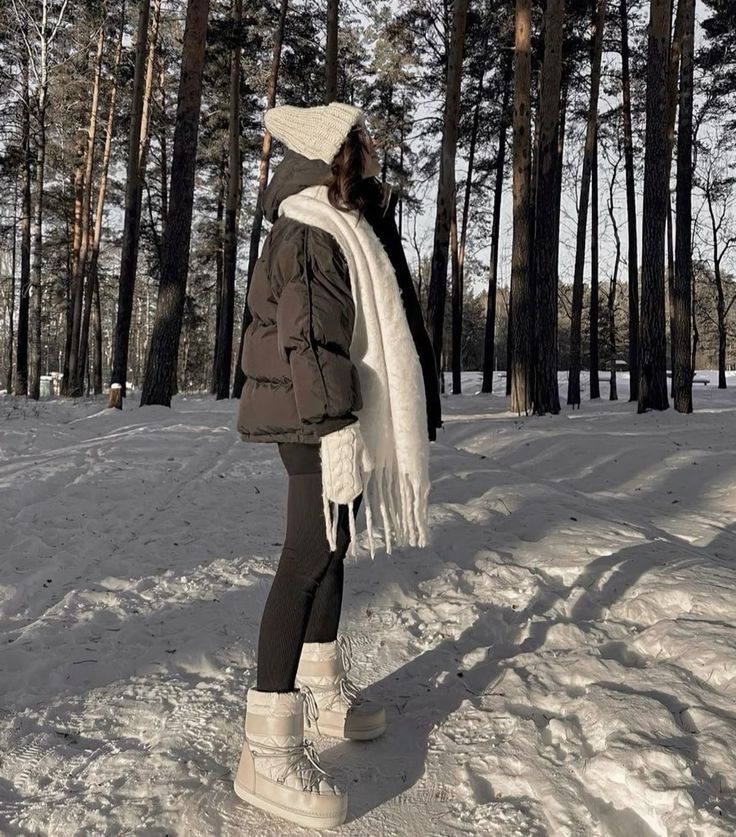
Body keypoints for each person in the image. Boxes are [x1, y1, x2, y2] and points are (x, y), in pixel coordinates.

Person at [234, 101, 442, 830]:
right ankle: (266, 745)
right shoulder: (309, 228)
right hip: (316, 418)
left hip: (335, 414)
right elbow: (312, 337)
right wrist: (335, 427)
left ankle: (321, 689)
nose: (375, 144)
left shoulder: (345, 217)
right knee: (307, 556)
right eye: (363, 136)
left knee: (335, 545)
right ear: (337, 149)